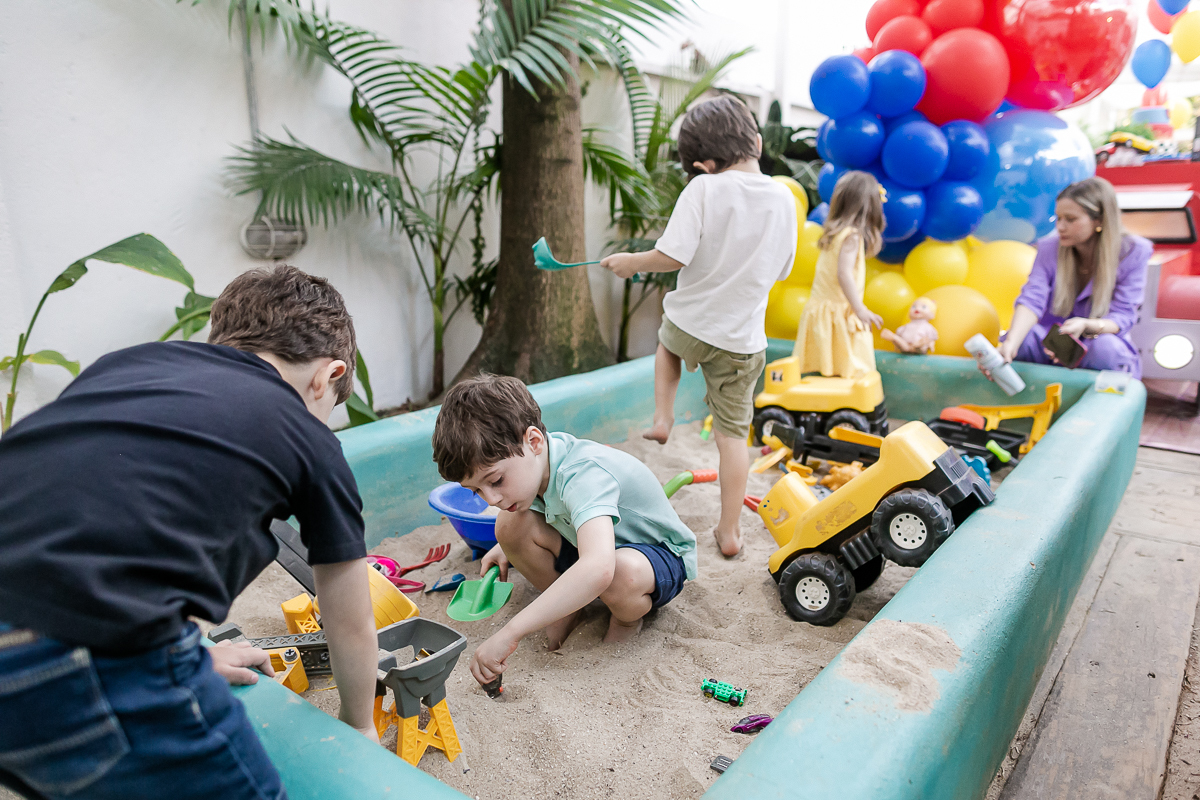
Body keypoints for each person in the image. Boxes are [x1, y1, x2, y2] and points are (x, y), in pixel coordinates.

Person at [0, 265, 380, 800]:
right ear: (327, 377)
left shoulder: (126, 366)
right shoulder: (308, 439)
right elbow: (349, 618)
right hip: (73, 650)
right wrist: (358, 726)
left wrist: (196, 652)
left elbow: (87, 510)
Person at [599, 95, 797, 558]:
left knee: (666, 346)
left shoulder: (704, 189)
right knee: (733, 438)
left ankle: (663, 417)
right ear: (757, 141)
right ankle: (729, 532)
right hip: (743, 342)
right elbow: (783, 268)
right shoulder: (785, 198)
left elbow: (673, 255)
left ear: (703, 163)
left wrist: (632, 262)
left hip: (691, 324)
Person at [431, 375, 697, 685]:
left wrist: (512, 630)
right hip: (596, 545)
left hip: (658, 558)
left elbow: (599, 568)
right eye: (476, 491)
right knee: (508, 527)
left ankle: (626, 620)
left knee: (617, 573)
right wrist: (507, 544)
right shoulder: (537, 463)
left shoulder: (582, 474)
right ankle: (568, 608)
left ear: (533, 442)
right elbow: (550, 516)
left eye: (496, 480)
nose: (492, 499)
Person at [997, 177, 1150, 377]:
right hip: (1051, 342)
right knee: (1021, 338)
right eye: (1058, 218)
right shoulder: (1048, 248)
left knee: (1105, 349)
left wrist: (1087, 325)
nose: (1060, 227)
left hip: (1097, 343)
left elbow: (1123, 316)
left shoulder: (1133, 251)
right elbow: (1032, 298)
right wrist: (1011, 343)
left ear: (1099, 220)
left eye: (1070, 219)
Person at [793, 170, 885, 377]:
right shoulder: (851, 236)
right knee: (849, 365)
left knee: (830, 364)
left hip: (824, 306)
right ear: (869, 206)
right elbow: (844, 274)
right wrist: (859, 308)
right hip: (838, 308)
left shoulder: (835, 233)